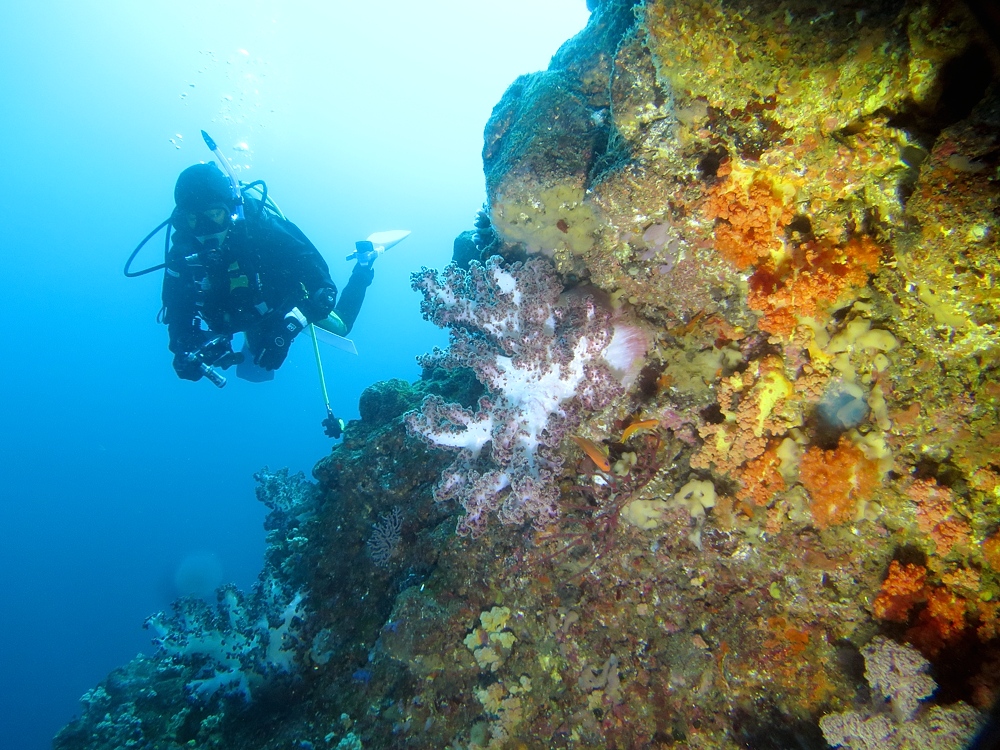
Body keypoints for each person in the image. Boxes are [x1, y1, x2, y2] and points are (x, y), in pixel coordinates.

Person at [161, 162, 375, 382]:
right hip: (239, 314)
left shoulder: (266, 231)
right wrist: (184, 349)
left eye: (215, 215)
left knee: (340, 328)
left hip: (284, 306)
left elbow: (324, 290)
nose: (206, 231)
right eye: (194, 220)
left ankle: (364, 265)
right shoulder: (183, 254)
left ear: (231, 211)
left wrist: (287, 330)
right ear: (183, 221)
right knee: (254, 372)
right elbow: (177, 312)